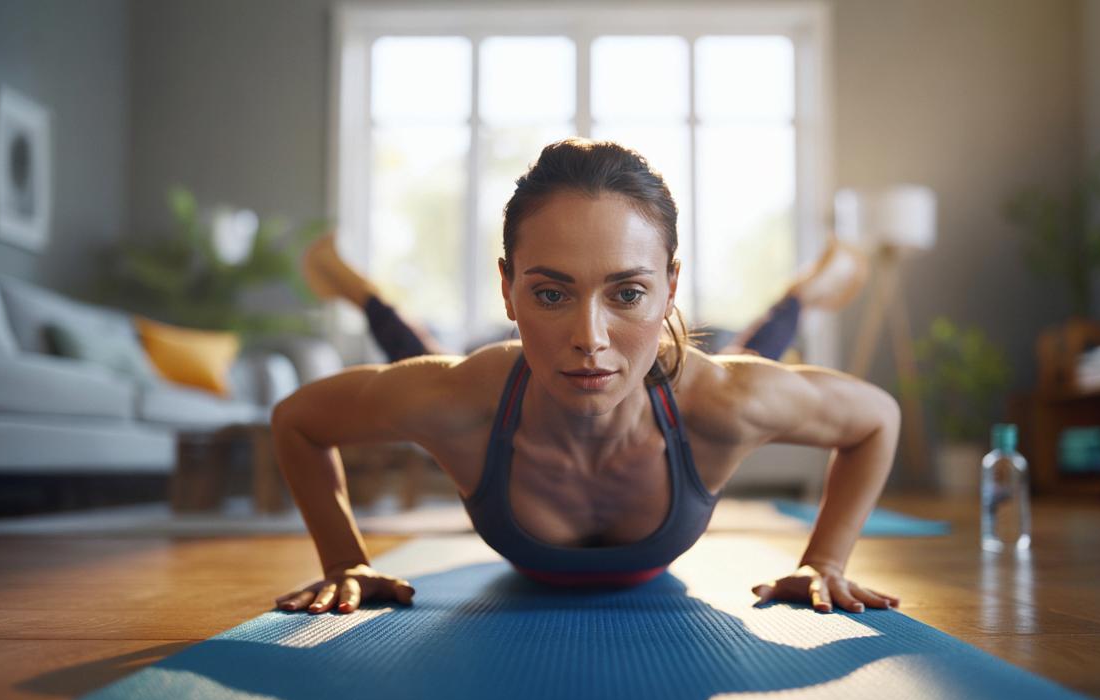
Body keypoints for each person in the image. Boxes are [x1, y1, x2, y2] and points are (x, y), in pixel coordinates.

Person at [273, 138, 900, 616]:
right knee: (422, 360)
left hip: (698, 379)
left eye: (628, 292)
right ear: (506, 290)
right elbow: (297, 420)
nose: (590, 338)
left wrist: (825, 560)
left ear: (671, 287)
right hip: (487, 384)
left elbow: (877, 418)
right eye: (550, 294)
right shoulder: (462, 397)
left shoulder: (722, 399)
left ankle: (804, 294)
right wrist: (343, 560)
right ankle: (364, 293)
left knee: (749, 360)